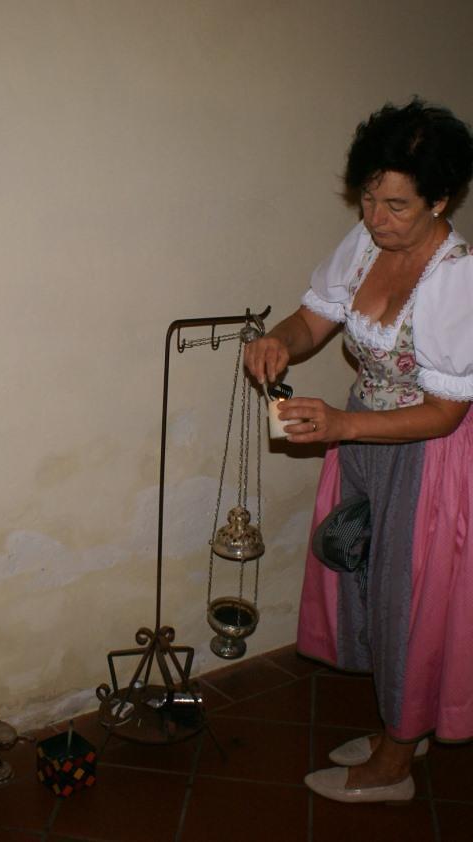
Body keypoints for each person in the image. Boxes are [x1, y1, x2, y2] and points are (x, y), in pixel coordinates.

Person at [244, 99, 473, 804]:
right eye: (369, 199)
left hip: (428, 456)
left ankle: (395, 762)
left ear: (440, 200)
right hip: (365, 438)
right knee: (371, 586)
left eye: (397, 205)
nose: (377, 218)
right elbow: (315, 316)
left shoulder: (457, 278)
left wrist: (343, 426)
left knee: (410, 603)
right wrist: (281, 340)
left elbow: (446, 412)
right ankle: (401, 728)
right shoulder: (368, 244)